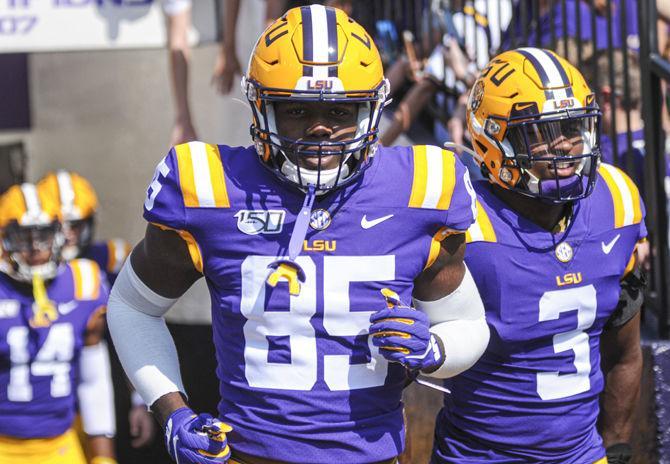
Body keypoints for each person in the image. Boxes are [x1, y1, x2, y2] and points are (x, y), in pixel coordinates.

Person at [107, 4, 490, 464]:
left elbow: (468, 325)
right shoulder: (208, 186)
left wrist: (433, 348)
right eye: (296, 109)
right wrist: (173, 412)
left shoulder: (422, 187)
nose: (321, 128)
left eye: (342, 110)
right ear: (260, 106)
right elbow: (132, 307)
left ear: (373, 107)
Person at [430, 48, 646, 464]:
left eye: (572, 127)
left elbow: (625, 352)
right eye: (541, 133)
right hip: (479, 456)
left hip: (583, 455)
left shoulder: (616, 201)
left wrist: (616, 449)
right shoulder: (461, 220)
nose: (564, 146)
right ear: (493, 138)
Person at [37, 170, 159, 459]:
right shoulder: (15, 275)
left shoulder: (110, 260)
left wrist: (140, 400)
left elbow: (134, 332)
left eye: (75, 225)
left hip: (99, 390)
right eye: (59, 224)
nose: (67, 234)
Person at [0, 183, 117, 464]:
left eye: (44, 235)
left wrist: (103, 457)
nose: (37, 247)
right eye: (24, 237)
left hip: (60, 446)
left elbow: (94, 380)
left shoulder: (84, 282)